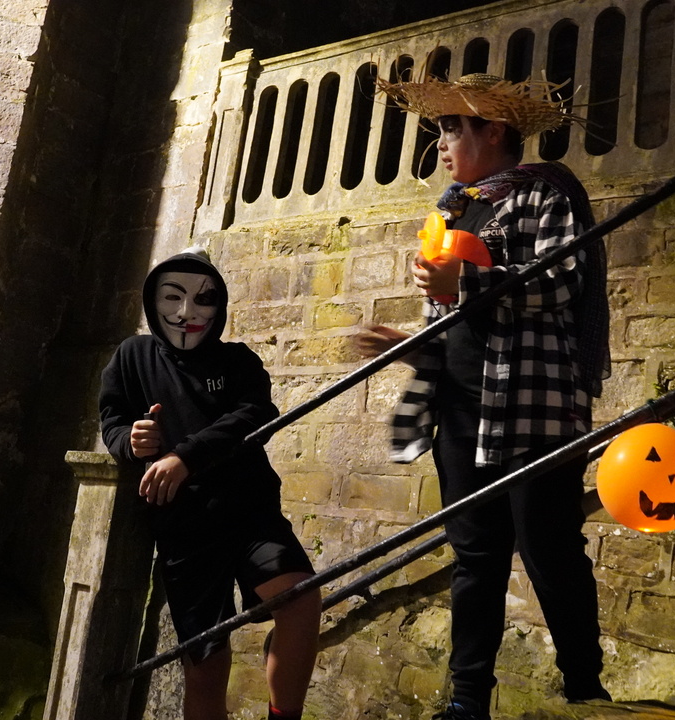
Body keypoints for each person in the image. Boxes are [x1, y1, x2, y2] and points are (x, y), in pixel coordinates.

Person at [355, 74, 612, 720]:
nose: (440, 144)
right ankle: (467, 699)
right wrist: (413, 344)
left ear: (493, 131)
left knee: (550, 548)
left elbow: (558, 280)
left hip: (533, 407)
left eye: (451, 129)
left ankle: (585, 688)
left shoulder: (544, 193)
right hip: (463, 410)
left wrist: (464, 282)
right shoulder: (453, 210)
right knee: (474, 558)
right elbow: (453, 322)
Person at [99, 247, 321, 720]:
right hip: (184, 527)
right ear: (152, 301)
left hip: (249, 512)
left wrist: (185, 456)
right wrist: (131, 441)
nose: (187, 312)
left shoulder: (238, 361)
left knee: (299, 599)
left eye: (203, 299)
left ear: (219, 305)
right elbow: (113, 419)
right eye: (172, 297)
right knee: (204, 663)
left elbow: (255, 412)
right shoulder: (133, 356)